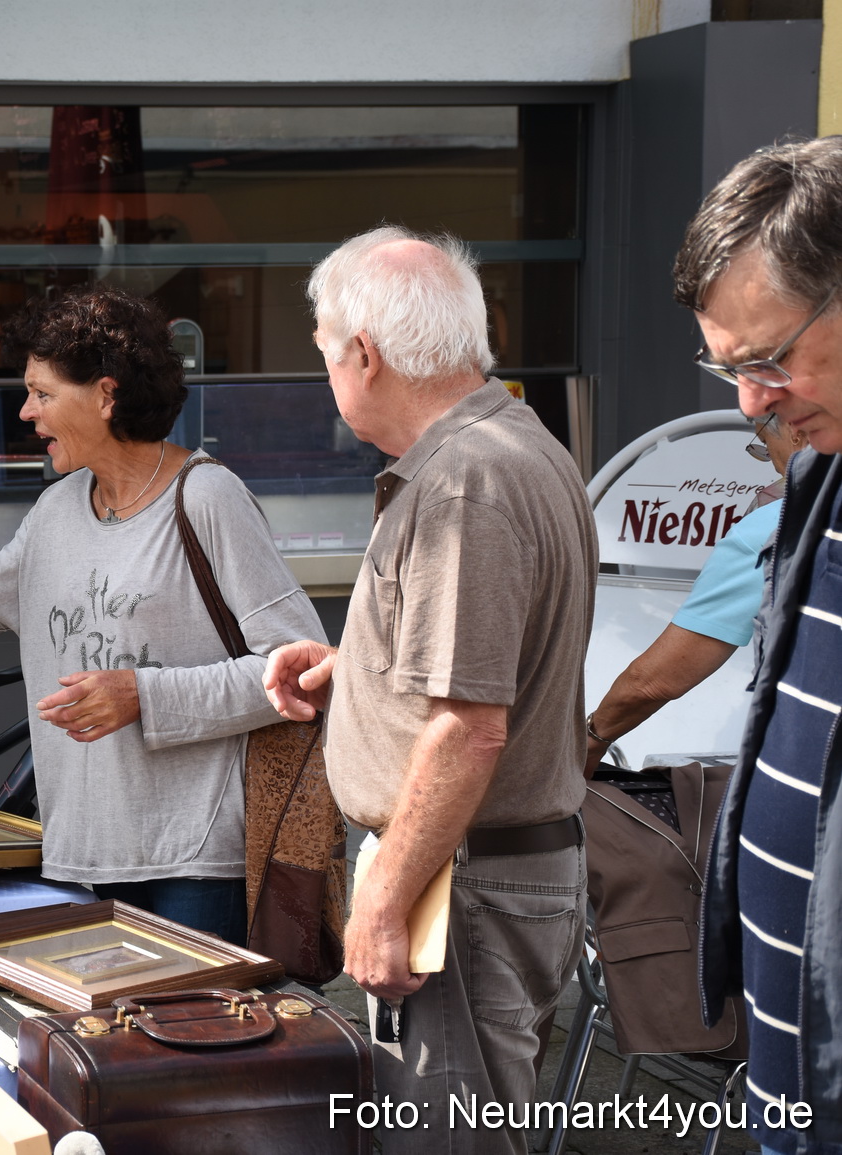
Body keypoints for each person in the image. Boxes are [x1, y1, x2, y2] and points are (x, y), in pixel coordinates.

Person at [265, 226, 596, 1155]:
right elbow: (486, 672)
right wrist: (355, 677)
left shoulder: (464, 483)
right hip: (482, 872)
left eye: (327, 354)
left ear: (363, 355)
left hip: (466, 884)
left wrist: (382, 900)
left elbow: (468, 729)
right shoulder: (509, 440)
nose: (328, 375)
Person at [0, 283, 324, 943]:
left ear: (106, 395)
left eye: (42, 392)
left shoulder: (207, 497)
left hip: (193, 866)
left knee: (183, 1045)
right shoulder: (57, 509)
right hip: (75, 860)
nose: (26, 412)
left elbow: (300, 668)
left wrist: (144, 694)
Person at [677, 136, 842, 1155]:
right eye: (728, 367)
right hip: (787, 1069)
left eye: (767, 360)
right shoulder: (817, 481)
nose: (750, 401)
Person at [584, 414, 805, 775]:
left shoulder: (775, 527)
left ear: (797, 430)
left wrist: (593, 737)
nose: (771, 464)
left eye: (765, 447)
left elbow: (655, 681)